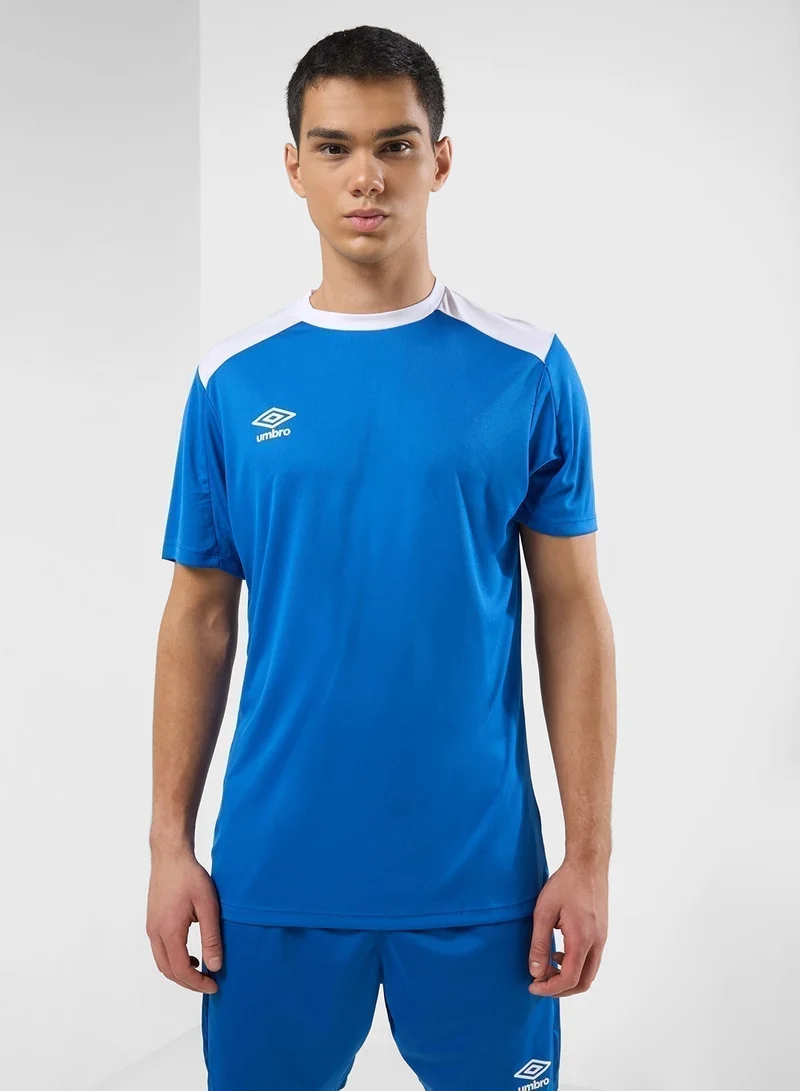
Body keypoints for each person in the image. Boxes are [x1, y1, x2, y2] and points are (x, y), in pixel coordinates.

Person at [147, 24, 616, 1091]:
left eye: (395, 145)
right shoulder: (232, 381)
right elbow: (198, 617)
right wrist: (169, 845)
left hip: (480, 881)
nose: (366, 176)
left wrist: (587, 857)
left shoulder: (526, 369)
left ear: (438, 160)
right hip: (274, 876)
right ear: (294, 167)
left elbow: (574, 612)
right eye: (334, 147)